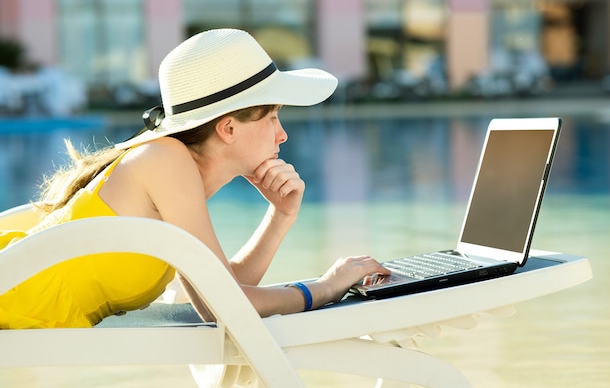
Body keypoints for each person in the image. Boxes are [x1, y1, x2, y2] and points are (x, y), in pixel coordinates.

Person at [0, 28, 389, 329]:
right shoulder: (165, 161)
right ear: (228, 128)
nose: (282, 133)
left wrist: (280, 217)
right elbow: (222, 305)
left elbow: (216, 287)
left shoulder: (170, 167)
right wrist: (325, 288)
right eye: (271, 117)